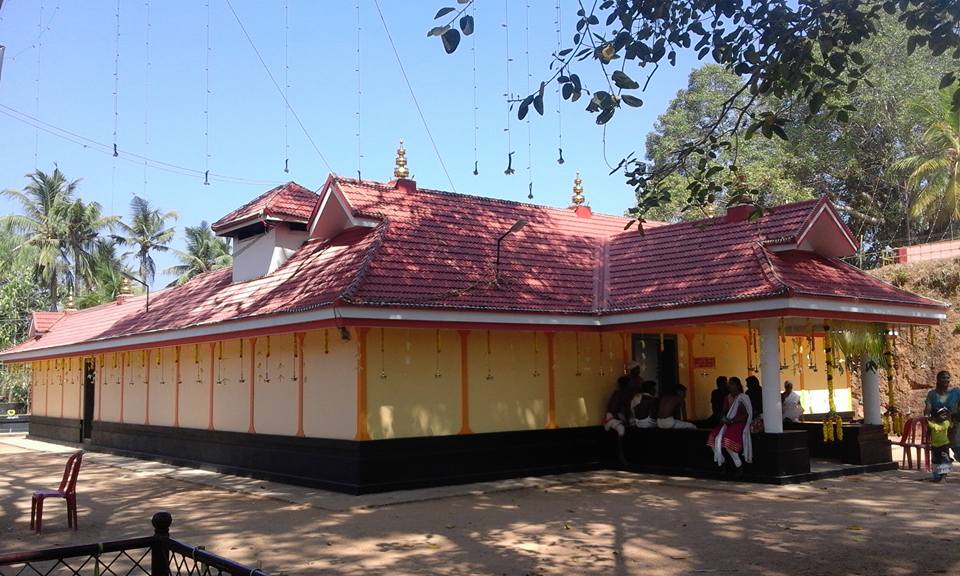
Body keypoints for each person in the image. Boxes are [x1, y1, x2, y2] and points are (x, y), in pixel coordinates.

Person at [707, 376, 753, 476]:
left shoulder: (742, 397)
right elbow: (723, 411)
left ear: (737, 385)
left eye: (732, 383)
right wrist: (723, 418)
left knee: (728, 443)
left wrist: (732, 421)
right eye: (729, 384)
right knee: (713, 438)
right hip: (727, 423)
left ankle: (739, 467)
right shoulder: (727, 397)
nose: (729, 385)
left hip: (738, 424)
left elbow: (745, 415)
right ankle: (722, 463)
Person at [924, 370, 960, 460]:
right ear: (938, 380)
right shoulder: (932, 394)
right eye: (943, 377)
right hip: (938, 426)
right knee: (940, 452)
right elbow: (928, 407)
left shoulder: (956, 392)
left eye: (948, 377)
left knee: (957, 448)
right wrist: (927, 416)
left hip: (954, 424)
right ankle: (942, 471)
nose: (946, 379)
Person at [928, 406, 953, 482]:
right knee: (935, 461)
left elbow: (950, 424)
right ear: (935, 416)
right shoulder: (931, 424)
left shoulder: (946, 423)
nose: (944, 416)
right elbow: (928, 431)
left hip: (944, 445)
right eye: (942, 415)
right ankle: (936, 477)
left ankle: (943, 477)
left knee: (944, 461)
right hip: (934, 446)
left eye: (945, 415)